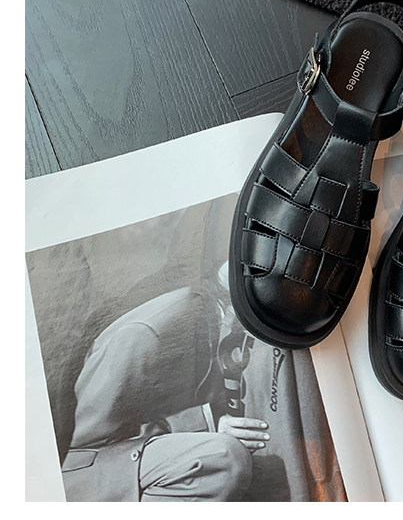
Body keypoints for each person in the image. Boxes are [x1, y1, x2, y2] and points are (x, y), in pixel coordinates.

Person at [60, 199, 345, 502]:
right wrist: (203, 423)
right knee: (224, 457)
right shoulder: (141, 335)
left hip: (166, 460)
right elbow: (87, 446)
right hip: (99, 479)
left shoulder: (221, 318)